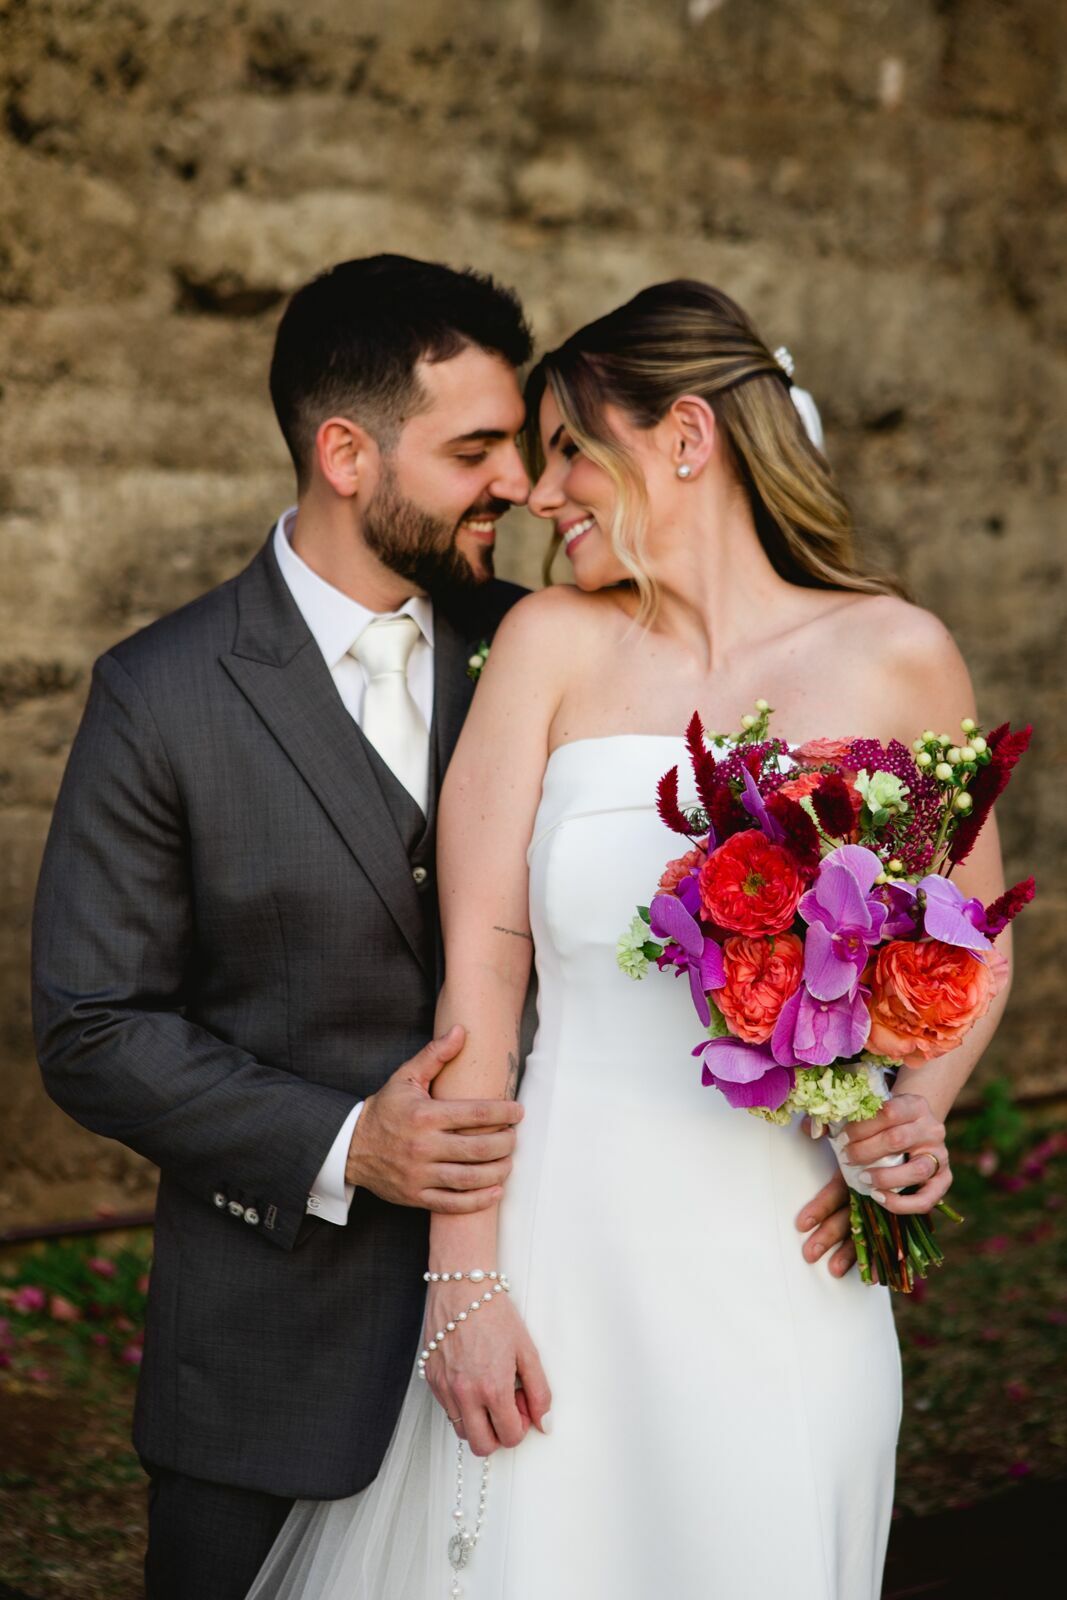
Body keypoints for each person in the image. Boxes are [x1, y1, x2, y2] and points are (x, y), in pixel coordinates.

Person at [247, 280, 1010, 1599]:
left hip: (793, 1262)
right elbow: (475, 999)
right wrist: (466, 1287)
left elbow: (974, 946)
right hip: (568, 1252)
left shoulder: (903, 654)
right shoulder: (549, 648)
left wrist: (920, 1110)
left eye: (565, 450)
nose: (541, 495)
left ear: (688, 438)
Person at [30, 254, 538, 1600]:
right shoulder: (159, 694)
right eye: (477, 450)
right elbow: (93, 1027)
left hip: (540, 1327)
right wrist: (346, 1141)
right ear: (346, 452)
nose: (522, 487)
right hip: (267, 1353)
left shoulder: (544, 648)